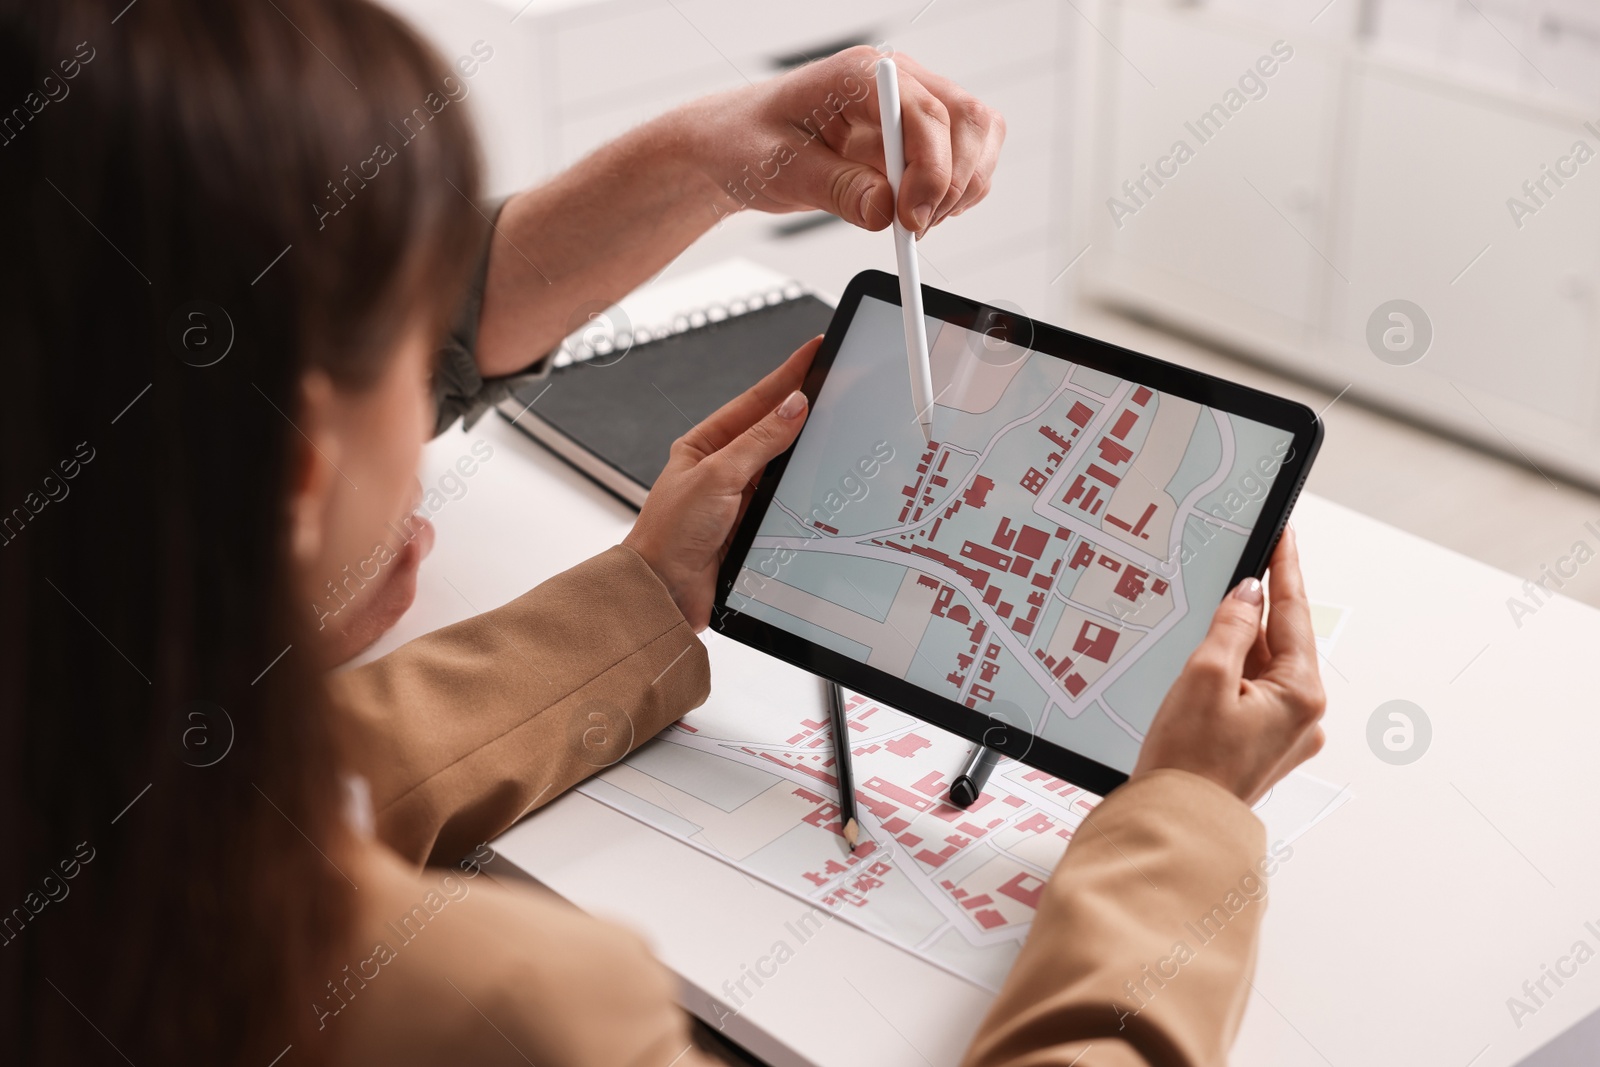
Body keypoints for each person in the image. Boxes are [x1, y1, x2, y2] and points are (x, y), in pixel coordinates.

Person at [0, 3, 1325, 1067]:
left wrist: (638, 602)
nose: (452, 377)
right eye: (413, 347)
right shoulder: (511, 1011)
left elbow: (216, 814)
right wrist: (1185, 828)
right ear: (300, 480)